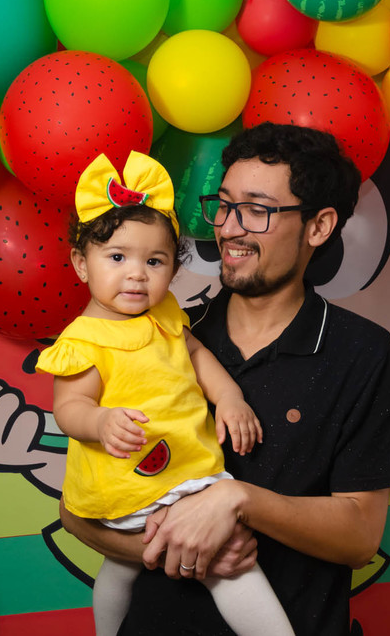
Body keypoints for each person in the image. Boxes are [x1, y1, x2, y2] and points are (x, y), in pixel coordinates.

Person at [60, 123, 390, 636]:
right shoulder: (165, 335)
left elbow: (360, 538)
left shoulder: (363, 354)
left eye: (256, 210)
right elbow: (75, 512)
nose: (228, 229)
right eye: (224, 206)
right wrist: (174, 550)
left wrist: (236, 500)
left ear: (318, 226)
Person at [38, 151, 294, 636]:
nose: (137, 274)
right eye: (117, 258)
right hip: (129, 478)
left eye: (154, 261)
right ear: (81, 264)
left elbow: (195, 354)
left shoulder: (165, 316)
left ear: (173, 270)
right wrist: (100, 421)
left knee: (125, 567)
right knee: (222, 563)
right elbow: (69, 408)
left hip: (182, 466)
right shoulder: (84, 340)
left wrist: (230, 397)